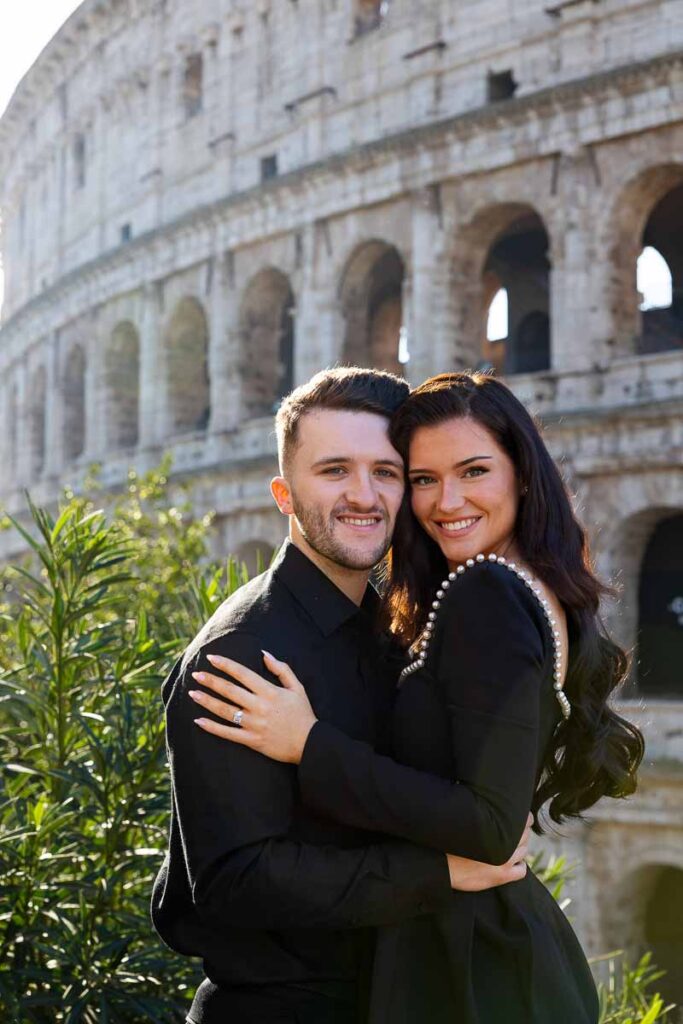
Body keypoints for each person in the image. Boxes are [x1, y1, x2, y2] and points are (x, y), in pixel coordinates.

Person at [192, 371, 645, 1024]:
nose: (444, 501)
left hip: (466, 961)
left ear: (521, 474)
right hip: (488, 945)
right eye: (424, 479)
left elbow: (490, 830)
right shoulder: (534, 586)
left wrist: (309, 744)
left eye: (472, 471)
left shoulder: (483, 593)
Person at [152, 367, 531, 1024]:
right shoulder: (239, 654)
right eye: (333, 471)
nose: (364, 496)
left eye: (385, 472)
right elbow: (233, 882)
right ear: (283, 493)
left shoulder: (392, 628)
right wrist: (438, 872)